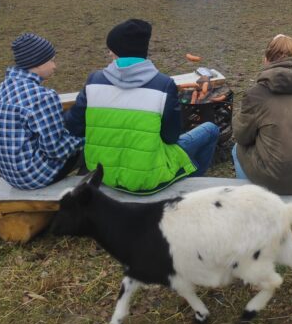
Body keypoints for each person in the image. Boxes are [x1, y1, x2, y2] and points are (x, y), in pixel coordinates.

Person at [65, 18, 219, 193]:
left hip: (100, 174)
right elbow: (171, 137)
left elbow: (73, 126)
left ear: (117, 52)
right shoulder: (163, 85)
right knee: (210, 129)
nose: (109, 54)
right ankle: (191, 188)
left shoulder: (94, 81)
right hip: (145, 178)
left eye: (111, 50)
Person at [232, 34, 292, 195]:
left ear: (266, 59)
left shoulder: (256, 93)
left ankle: (249, 199)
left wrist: (240, 118)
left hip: (277, 179)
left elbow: (242, 136)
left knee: (237, 148)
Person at [0, 33, 84, 189]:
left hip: (9, 174)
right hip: (35, 176)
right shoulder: (42, 97)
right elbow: (56, 150)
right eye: (51, 60)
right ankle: (84, 198)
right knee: (91, 150)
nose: (54, 66)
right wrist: (86, 141)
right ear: (37, 63)